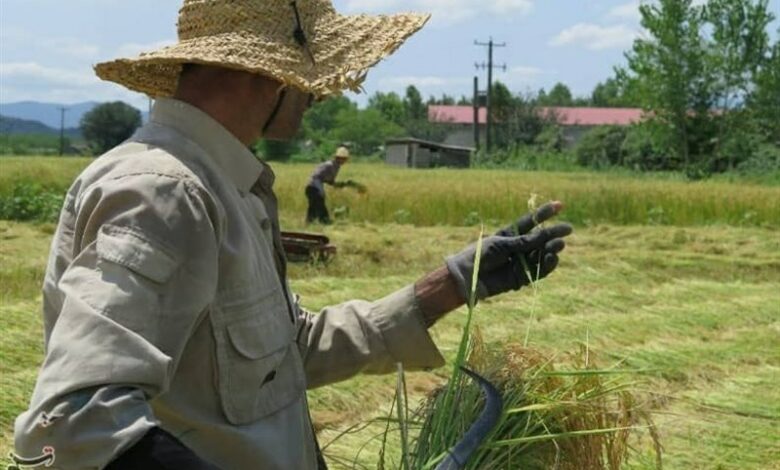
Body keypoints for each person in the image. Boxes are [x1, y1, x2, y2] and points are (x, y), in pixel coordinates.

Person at [11, 1, 573, 469]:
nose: (318, 93)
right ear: (268, 74)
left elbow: (280, 353)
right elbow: (79, 420)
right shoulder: (166, 193)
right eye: (310, 77)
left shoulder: (225, 187)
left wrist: (449, 285)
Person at [305, 146, 350, 224]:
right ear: (337, 157)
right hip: (312, 186)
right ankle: (324, 220)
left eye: (344, 159)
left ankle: (310, 221)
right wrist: (320, 190)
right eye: (342, 158)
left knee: (313, 205)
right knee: (319, 202)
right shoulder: (328, 165)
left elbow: (329, 181)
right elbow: (316, 176)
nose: (343, 161)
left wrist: (341, 184)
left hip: (316, 186)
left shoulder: (336, 167)